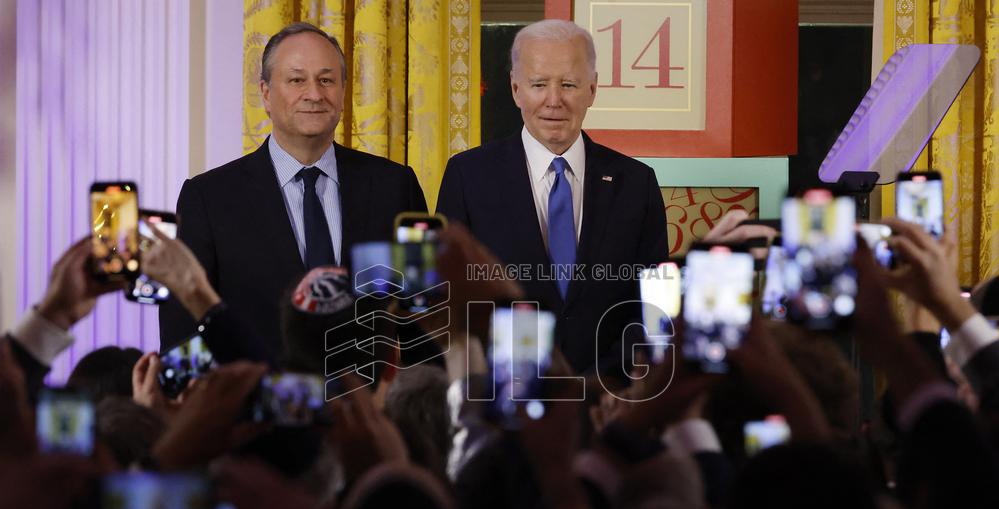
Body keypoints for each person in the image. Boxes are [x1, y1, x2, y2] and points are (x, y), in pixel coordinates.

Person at [159, 22, 427, 357]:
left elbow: (422, 316)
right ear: (266, 93)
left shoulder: (394, 186)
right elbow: (182, 323)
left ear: (343, 92)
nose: (314, 94)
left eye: (326, 80)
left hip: (368, 402)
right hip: (255, 404)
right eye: (297, 80)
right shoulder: (209, 198)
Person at [436, 19, 668, 374]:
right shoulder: (468, 176)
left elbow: (651, 306)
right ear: (516, 89)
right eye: (539, 84)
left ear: (592, 89)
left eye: (570, 84)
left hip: (608, 397)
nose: (554, 100)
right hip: (502, 397)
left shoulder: (636, 183)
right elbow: (450, 302)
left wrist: (607, 384)